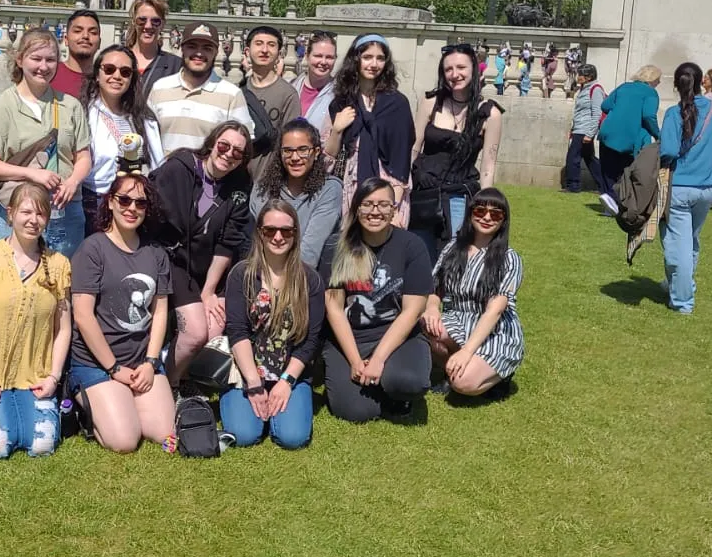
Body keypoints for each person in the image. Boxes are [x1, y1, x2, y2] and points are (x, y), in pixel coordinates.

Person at [0, 182, 73, 459]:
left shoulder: (59, 265)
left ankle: (22, 405)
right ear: (10, 214)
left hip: (35, 375)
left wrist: (53, 378)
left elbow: (63, 329)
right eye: (26, 212)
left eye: (41, 214)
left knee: (42, 445)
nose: (33, 220)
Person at [68, 171, 175, 452]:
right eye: (124, 200)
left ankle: (122, 400)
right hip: (97, 363)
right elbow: (83, 316)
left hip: (141, 361)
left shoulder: (156, 253)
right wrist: (114, 368)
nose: (132, 208)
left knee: (163, 433)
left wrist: (151, 362)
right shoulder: (92, 249)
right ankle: (83, 408)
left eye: (141, 203)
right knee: (124, 441)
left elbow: (160, 312)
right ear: (111, 202)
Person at [321, 177, 433, 423]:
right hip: (352, 337)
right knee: (355, 411)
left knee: (407, 381)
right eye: (367, 204)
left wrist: (379, 358)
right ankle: (374, 383)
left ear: (394, 210)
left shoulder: (411, 245)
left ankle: (393, 384)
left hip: (397, 334)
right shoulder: (336, 246)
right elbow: (334, 309)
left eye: (384, 205)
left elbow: (412, 311)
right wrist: (354, 360)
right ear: (356, 208)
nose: (375, 212)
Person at [150, 121, 253, 386]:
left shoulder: (240, 185)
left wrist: (208, 291)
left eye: (238, 152)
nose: (229, 154)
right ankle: (169, 385)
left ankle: (178, 376)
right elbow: (155, 220)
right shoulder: (179, 169)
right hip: (171, 260)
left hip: (206, 269)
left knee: (214, 327)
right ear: (212, 143)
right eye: (224, 146)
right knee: (196, 333)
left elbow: (228, 241)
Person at [0, 28, 93, 257]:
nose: (43, 66)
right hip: (18, 212)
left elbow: (83, 156)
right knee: (16, 274)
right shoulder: (0, 108)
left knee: (64, 274)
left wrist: (72, 182)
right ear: (20, 60)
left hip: (64, 211)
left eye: (50, 60)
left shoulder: (70, 106)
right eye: (36, 58)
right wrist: (31, 174)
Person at [220, 201, 323, 449]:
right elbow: (237, 332)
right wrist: (254, 383)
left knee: (293, 438)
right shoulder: (241, 274)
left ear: (295, 234)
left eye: (286, 231)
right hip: (246, 370)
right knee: (243, 435)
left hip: (290, 371)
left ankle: (281, 407)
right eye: (270, 230)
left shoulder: (310, 280)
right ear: (259, 233)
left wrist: (286, 382)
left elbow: (310, 341)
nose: (278, 237)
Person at [423, 187, 524, 397]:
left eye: (495, 214)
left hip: (494, 329)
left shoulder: (509, 258)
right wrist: (432, 308)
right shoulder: (453, 247)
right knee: (424, 324)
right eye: (480, 211)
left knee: (463, 383)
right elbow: (434, 288)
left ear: (503, 221)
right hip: (458, 319)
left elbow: (495, 311)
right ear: (470, 213)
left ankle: (498, 377)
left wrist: (467, 351)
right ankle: (453, 367)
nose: (486, 218)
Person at [409, 44, 503, 258]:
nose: (454, 74)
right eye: (448, 69)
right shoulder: (430, 102)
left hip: (459, 195)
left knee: (454, 256)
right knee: (419, 254)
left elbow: (488, 167)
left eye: (461, 67)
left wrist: (485, 205)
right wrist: (403, 188)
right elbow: (413, 148)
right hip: (424, 191)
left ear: (474, 70)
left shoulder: (490, 114)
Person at [659, 62, 712, 309]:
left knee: (677, 245)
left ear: (676, 84)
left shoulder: (674, 113)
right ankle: (681, 285)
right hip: (706, 188)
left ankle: (683, 300)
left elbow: (669, 150)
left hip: (679, 186)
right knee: (690, 240)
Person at [326, 34, 415, 226]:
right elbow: (329, 157)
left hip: (390, 187)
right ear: (355, 59)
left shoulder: (397, 103)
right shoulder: (342, 102)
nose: (374, 64)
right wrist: (337, 130)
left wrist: (393, 206)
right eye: (367, 57)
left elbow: (402, 159)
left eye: (380, 58)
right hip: (353, 184)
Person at [79, 44, 164, 226]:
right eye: (109, 69)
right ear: (97, 74)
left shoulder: (143, 117)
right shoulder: (82, 113)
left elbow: (157, 166)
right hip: (92, 205)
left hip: (132, 207)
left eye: (125, 72)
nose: (117, 76)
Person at [148, 22, 254, 156]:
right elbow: (147, 138)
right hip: (163, 169)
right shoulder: (160, 88)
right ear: (182, 49)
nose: (199, 53)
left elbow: (242, 145)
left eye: (207, 48)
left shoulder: (232, 95)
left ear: (216, 52)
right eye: (192, 47)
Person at [250, 119, 342, 268]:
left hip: (304, 274)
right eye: (288, 150)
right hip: (262, 271)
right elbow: (257, 243)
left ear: (316, 152)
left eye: (303, 150)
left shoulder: (329, 190)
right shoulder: (263, 188)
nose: (295, 157)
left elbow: (309, 253)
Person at [598, 65, 663, 215]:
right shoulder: (650, 93)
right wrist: (658, 134)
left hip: (609, 132)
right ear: (652, 79)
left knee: (608, 170)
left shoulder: (624, 87)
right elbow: (648, 115)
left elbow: (605, 105)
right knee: (626, 172)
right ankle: (614, 200)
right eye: (658, 79)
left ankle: (610, 202)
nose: (659, 83)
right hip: (630, 136)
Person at [241, 25, 301, 171]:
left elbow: (291, 142)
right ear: (247, 51)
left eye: (271, 45)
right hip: (236, 174)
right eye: (259, 43)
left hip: (269, 176)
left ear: (279, 54)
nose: (264, 50)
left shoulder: (288, 94)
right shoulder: (238, 91)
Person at [564, 64, 608, 194]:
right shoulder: (583, 89)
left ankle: (573, 185)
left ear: (589, 77)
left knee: (573, 157)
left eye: (581, 74)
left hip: (584, 129)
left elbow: (597, 113)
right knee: (589, 159)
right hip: (579, 128)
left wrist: (590, 133)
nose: (578, 77)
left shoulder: (595, 90)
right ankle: (604, 186)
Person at [126, 0, 182, 93]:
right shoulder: (118, 59)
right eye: (142, 20)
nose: (148, 26)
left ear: (162, 24)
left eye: (155, 21)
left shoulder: (175, 66)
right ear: (134, 22)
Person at [51, 9, 101, 96]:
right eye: (78, 31)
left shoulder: (107, 80)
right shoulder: (50, 73)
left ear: (99, 42)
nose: (85, 36)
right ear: (66, 39)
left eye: (93, 32)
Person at [294, 31, 339, 129]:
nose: (323, 62)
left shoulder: (340, 94)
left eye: (329, 57)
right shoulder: (291, 87)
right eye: (318, 56)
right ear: (307, 56)